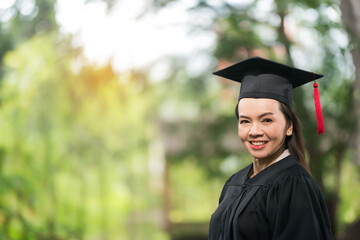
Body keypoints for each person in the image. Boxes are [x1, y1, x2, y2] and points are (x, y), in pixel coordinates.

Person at [208, 57, 333, 240]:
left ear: (289, 126)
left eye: (266, 120)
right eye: (245, 121)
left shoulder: (293, 185)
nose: (254, 131)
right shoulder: (234, 182)